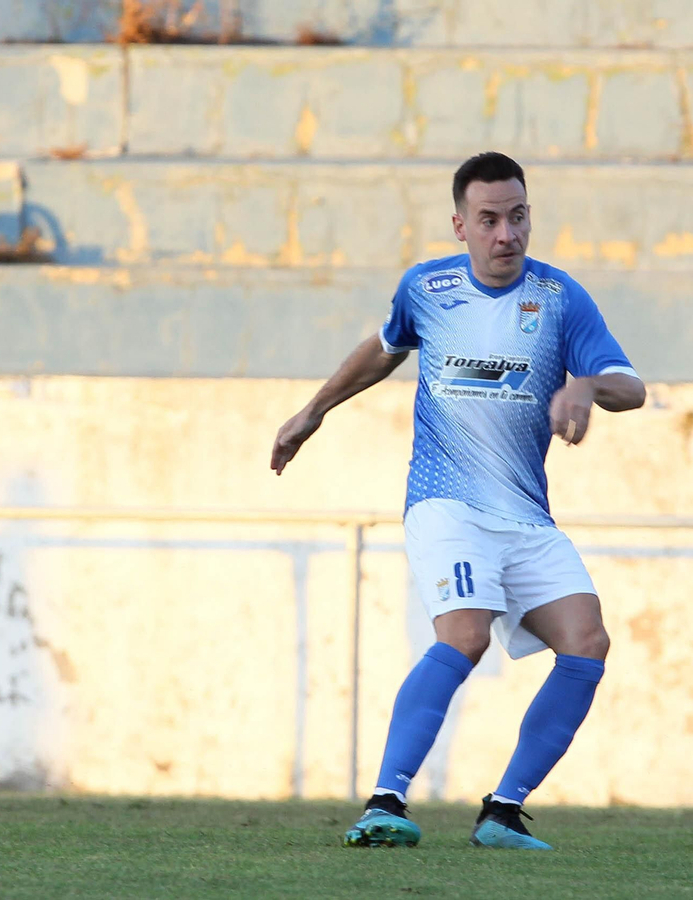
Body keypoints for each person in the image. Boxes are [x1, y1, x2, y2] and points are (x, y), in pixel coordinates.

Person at [270, 151, 645, 850]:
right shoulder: (428, 288)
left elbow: (631, 384)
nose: (508, 233)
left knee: (587, 643)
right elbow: (384, 349)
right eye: (491, 219)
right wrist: (314, 409)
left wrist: (587, 386)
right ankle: (385, 800)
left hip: (524, 515)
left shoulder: (560, 298)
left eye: (519, 216)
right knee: (466, 634)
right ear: (461, 226)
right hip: (446, 504)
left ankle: (502, 814)